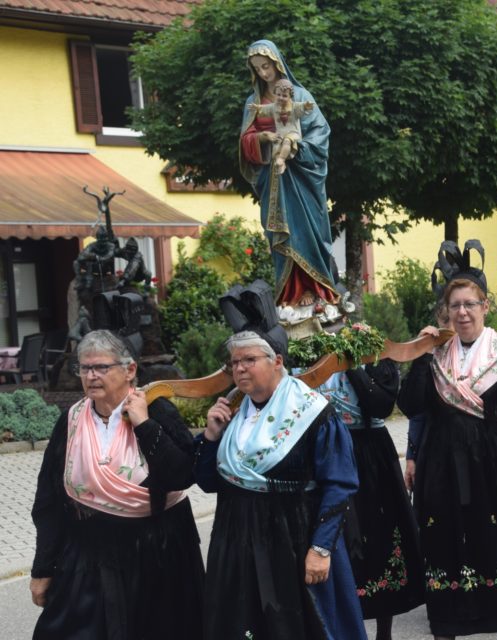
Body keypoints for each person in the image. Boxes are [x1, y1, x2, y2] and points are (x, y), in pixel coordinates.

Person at [398, 242, 497, 639]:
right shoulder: (436, 355)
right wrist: (421, 353)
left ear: (485, 306)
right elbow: (411, 405)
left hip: (493, 464)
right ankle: (448, 626)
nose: (463, 312)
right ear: (446, 311)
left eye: (470, 304)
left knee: (495, 542)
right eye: (455, 306)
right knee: (445, 545)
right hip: (441, 466)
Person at [30, 330, 203, 640]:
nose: (91, 376)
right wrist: (42, 568)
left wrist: (144, 425)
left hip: (155, 554)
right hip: (87, 554)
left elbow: (183, 474)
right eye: (84, 368)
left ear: (130, 370)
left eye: (101, 367)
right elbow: (49, 499)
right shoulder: (71, 420)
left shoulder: (157, 410)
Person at [195, 330, 366, 639]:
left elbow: (340, 484)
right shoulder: (234, 416)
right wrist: (210, 437)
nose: (240, 368)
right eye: (234, 362)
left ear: (276, 361)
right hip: (237, 543)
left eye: (249, 359)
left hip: (293, 540)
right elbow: (209, 483)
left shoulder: (312, 412)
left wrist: (321, 549)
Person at [317, 358, 425, 640]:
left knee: (379, 535)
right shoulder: (308, 358)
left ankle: (383, 633)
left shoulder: (375, 356)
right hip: (327, 448)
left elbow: (380, 405)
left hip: (369, 452)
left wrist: (349, 362)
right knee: (333, 536)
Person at [240, 40, 338, 306]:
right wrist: (261, 137)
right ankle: (288, 294)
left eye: (266, 66)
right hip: (271, 179)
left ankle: (313, 290)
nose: (263, 73)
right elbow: (245, 141)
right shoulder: (254, 102)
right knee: (280, 235)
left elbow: (320, 132)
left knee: (304, 231)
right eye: (257, 68)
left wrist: (297, 147)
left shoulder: (301, 95)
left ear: (277, 62)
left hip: (301, 179)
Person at [247, 77, 315, 175]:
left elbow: (302, 107)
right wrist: (257, 108)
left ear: (290, 96)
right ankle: (281, 164)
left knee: (287, 141)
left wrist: (306, 106)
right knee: (276, 146)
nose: (281, 98)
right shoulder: (274, 107)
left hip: (293, 133)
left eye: (284, 96)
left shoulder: (294, 106)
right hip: (280, 133)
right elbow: (264, 109)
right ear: (275, 93)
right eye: (278, 95)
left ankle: (282, 159)